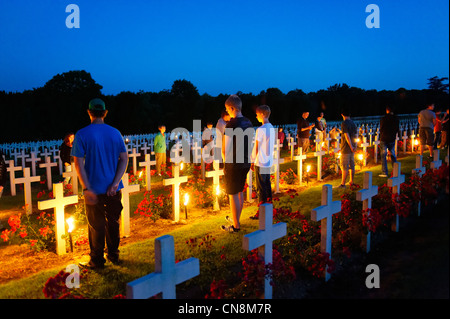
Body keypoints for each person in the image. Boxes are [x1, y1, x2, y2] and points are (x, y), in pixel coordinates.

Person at [72, 98, 128, 269]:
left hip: (94, 189)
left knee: (96, 225)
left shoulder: (82, 134)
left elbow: (78, 163)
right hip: (113, 188)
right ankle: (113, 255)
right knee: (113, 222)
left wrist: (86, 187)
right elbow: (124, 159)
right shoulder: (115, 133)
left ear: (89, 112)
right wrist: (115, 182)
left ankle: (96, 260)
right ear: (105, 112)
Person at [221, 94, 253, 233]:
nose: (227, 112)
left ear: (233, 108)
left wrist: (224, 164)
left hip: (233, 164)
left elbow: (225, 149)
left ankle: (236, 226)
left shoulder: (231, 124)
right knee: (240, 191)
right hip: (245, 162)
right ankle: (236, 219)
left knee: (233, 194)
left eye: (227, 109)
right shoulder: (248, 122)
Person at [251, 105, 275, 205]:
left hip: (260, 161)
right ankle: (269, 206)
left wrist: (252, 161)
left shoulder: (261, 129)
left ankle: (262, 210)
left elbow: (256, 147)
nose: (256, 117)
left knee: (260, 187)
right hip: (268, 160)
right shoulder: (271, 127)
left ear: (262, 114)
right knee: (267, 184)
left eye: (257, 115)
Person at [338, 107, 357, 188]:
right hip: (352, 147)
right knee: (352, 165)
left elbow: (346, 135)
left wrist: (351, 146)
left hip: (346, 148)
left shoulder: (344, 123)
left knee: (345, 166)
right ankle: (351, 181)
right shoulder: (353, 123)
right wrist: (355, 146)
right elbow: (356, 135)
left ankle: (343, 184)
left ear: (342, 114)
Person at [379, 106, 399, 177]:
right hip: (392, 138)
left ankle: (384, 172)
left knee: (383, 155)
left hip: (384, 138)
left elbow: (381, 128)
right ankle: (395, 170)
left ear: (387, 110)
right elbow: (397, 129)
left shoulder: (383, 118)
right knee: (393, 154)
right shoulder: (396, 118)